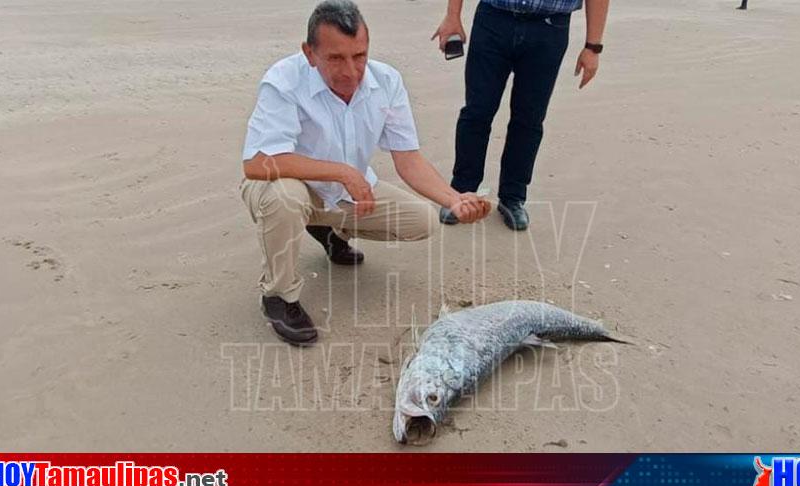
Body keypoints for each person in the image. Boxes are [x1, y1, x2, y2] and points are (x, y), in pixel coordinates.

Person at [240, 0, 491, 345]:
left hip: (346, 194)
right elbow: (257, 164)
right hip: (286, 188)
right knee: (285, 198)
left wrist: (454, 199)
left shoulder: (386, 81)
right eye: (335, 58)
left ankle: (330, 232)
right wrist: (342, 172)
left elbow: (409, 160)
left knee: (424, 221)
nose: (351, 71)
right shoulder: (283, 81)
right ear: (309, 53)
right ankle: (278, 296)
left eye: (359, 56)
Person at [433, 0, 610, 231]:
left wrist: (593, 47)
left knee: (529, 119)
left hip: (549, 29)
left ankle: (513, 198)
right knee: (477, 111)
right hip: (494, 19)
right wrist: (452, 15)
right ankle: (462, 191)